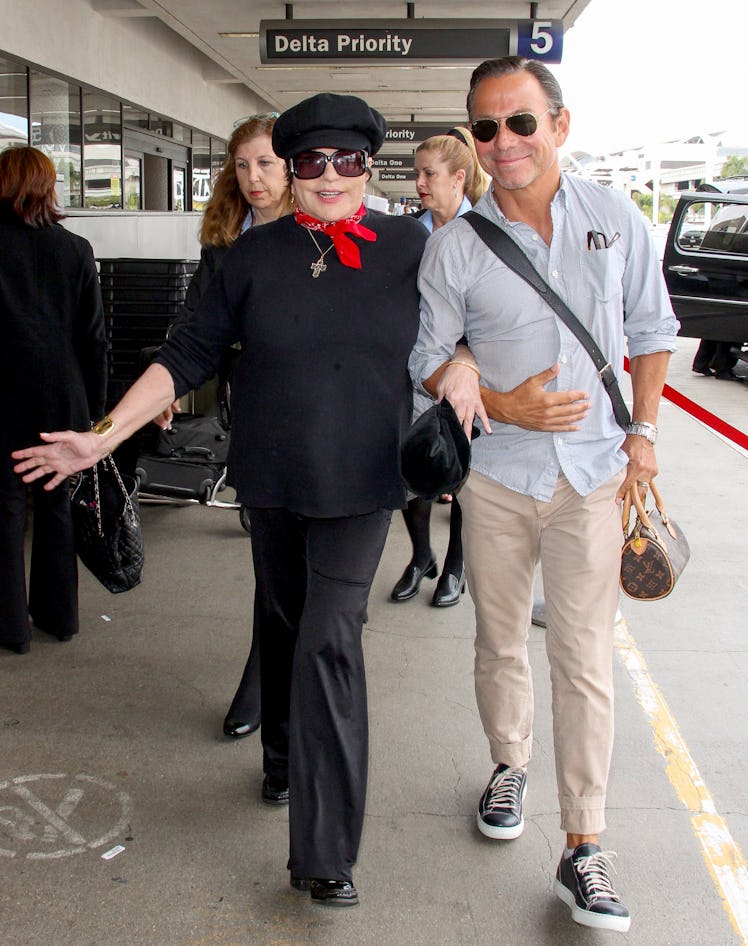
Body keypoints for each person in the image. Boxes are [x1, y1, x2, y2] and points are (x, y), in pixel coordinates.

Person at [13, 92, 428, 907]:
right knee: (280, 626)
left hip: (362, 483)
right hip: (272, 475)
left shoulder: (413, 247)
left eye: (349, 161)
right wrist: (102, 434)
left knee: (329, 641)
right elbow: (186, 352)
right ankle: (280, 760)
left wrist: (472, 373)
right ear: (294, 174)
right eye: (312, 162)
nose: (331, 176)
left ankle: (323, 852)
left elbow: (458, 330)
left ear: (368, 167)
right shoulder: (249, 258)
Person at [409, 57, 679, 933]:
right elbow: (427, 359)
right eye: (485, 129)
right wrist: (496, 401)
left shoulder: (615, 218)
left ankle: (583, 843)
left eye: (520, 122)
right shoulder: (456, 243)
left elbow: (651, 330)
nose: (504, 143)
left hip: (595, 479)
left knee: (585, 661)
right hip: (496, 479)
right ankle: (508, 763)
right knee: (499, 643)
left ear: (559, 126)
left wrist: (642, 433)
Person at [170, 113, 295, 740]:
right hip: (251, 412)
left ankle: (293, 680)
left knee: (314, 572)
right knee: (269, 558)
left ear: (292, 167)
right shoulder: (224, 239)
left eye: (266, 163)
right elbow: (196, 326)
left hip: (317, 412)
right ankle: (264, 678)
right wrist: (165, 386)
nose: (253, 177)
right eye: (242, 165)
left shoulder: (319, 231)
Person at [0, 146, 107, 654]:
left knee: (3, 509)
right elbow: (94, 338)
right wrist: (98, 417)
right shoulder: (76, 248)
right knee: (55, 505)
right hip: (61, 396)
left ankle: (9, 629)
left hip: (1, 396)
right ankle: (58, 616)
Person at [390, 127, 489, 608]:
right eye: (417, 173)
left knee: (464, 473)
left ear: (459, 178)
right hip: (413, 370)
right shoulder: (411, 234)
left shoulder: (486, 235)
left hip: (469, 377)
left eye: (429, 173)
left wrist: (466, 357)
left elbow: (494, 312)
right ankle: (420, 556)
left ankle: (455, 565)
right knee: (415, 468)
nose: (420, 183)